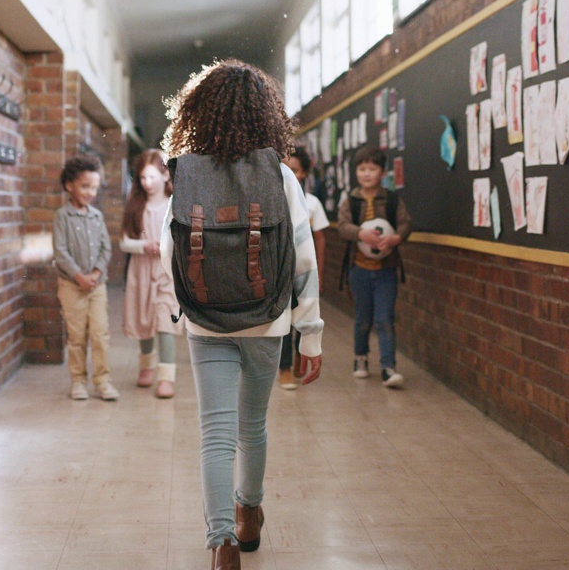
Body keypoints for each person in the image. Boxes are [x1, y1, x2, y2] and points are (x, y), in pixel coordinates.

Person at [160, 59, 323, 570]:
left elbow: (169, 251)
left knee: (215, 433)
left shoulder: (187, 175)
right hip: (267, 319)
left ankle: (222, 545)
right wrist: (310, 335)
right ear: (264, 116)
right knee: (251, 427)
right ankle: (249, 514)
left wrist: (178, 313)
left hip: (206, 320)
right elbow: (302, 257)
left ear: (198, 114)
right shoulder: (279, 175)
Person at [338, 146, 411, 389]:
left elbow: (405, 223)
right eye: (362, 169)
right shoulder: (351, 200)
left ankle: (388, 367)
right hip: (359, 269)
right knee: (363, 319)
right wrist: (360, 233)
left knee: (385, 318)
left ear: (382, 172)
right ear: (356, 172)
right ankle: (360, 358)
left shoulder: (391, 199)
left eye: (372, 169)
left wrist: (396, 239)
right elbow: (342, 225)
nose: (367, 173)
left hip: (386, 270)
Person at [53, 155, 120, 401]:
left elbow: (106, 249)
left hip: (96, 286)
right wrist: (79, 276)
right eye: (85, 186)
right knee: (77, 336)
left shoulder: (97, 216)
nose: (90, 192)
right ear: (70, 185)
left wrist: (95, 274)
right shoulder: (63, 217)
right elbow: (61, 252)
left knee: (100, 334)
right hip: (72, 286)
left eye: (94, 187)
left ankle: (103, 381)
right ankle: (78, 381)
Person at [119, 149, 181, 398]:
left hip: (166, 270)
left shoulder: (174, 204)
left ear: (166, 176)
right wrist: (144, 246)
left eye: (152, 177)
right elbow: (124, 242)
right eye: (143, 178)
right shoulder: (135, 205)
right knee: (143, 319)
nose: (147, 183)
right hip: (141, 270)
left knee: (166, 319)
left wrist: (166, 247)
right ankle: (146, 366)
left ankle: (167, 376)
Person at [277, 146, 327, 390]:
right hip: (282, 273)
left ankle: (301, 357)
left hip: (304, 270)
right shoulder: (274, 197)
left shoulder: (312, 203)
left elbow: (319, 240)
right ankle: (284, 368)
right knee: (285, 321)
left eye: (295, 170)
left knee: (303, 315)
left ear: (304, 173)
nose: (290, 174)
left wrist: (320, 274)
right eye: (286, 168)